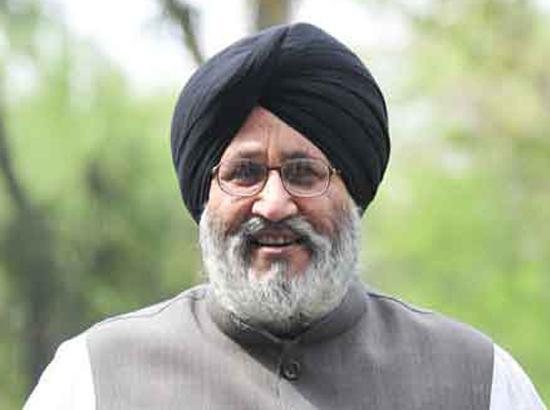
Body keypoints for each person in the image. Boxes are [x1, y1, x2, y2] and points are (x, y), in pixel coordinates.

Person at [24, 23, 545, 410]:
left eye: (303, 172)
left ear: (353, 190)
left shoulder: (479, 381)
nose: (273, 204)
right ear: (205, 193)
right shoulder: (93, 379)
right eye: (244, 172)